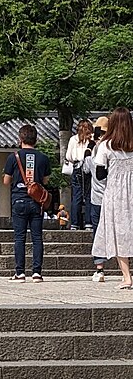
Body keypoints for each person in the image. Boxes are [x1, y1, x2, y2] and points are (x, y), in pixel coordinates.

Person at [91, 106, 133, 290]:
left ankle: (127, 277)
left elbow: (100, 174)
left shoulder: (106, 146)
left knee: (118, 234)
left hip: (115, 194)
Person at [3, 123, 51, 282]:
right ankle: (37, 272)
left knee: (19, 237)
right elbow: (45, 180)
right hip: (36, 202)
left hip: (19, 199)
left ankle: (20, 272)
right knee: (37, 237)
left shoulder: (13, 157)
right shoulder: (43, 158)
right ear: (36, 139)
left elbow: (6, 180)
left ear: (20, 139)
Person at [83, 116, 109, 281]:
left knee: (97, 232)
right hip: (114, 197)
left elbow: (86, 168)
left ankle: (99, 267)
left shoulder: (95, 151)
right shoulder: (116, 148)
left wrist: (89, 147)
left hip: (97, 198)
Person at [65, 119, 94, 230]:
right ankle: (88, 222)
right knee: (88, 196)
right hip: (88, 168)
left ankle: (75, 224)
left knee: (76, 196)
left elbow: (68, 156)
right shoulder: (91, 141)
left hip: (77, 167)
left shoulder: (73, 139)